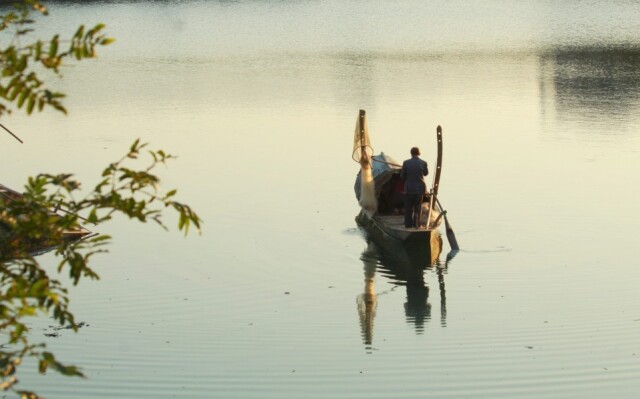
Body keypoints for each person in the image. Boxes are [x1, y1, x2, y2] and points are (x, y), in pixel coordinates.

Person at [400, 147, 428, 228]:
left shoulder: (405, 163)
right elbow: (426, 173)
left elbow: (402, 176)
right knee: (417, 208)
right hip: (420, 189)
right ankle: (417, 225)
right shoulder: (423, 163)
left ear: (411, 153)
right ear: (419, 153)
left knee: (408, 209)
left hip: (409, 189)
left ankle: (408, 226)